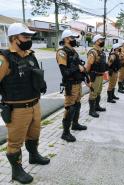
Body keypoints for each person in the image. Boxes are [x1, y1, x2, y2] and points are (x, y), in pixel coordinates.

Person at [0, 23, 50, 184]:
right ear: (14, 39)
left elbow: (34, 74)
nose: (29, 40)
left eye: (30, 37)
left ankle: (34, 156)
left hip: (35, 104)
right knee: (15, 142)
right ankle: (16, 171)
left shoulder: (30, 55)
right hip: (17, 109)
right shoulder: (4, 58)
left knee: (34, 134)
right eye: (25, 37)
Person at [56, 29, 88, 142]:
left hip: (78, 82)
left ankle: (75, 124)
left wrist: (83, 71)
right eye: (72, 38)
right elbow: (64, 72)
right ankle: (65, 133)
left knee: (77, 104)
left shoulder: (73, 51)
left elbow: (79, 65)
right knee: (70, 107)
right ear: (65, 39)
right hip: (70, 84)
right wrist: (77, 67)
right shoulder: (62, 52)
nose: (74, 40)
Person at [86, 34, 107, 117]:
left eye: (102, 40)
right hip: (94, 76)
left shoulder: (101, 52)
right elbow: (88, 66)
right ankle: (91, 111)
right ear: (96, 42)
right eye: (100, 40)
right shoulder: (93, 52)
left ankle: (97, 106)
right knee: (93, 93)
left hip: (101, 75)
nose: (102, 41)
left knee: (98, 92)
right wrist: (88, 78)